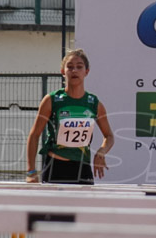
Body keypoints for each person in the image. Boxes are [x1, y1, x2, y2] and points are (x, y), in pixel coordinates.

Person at [25, 49, 114, 186]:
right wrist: (31, 172)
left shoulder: (94, 103)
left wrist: (102, 151)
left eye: (79, 67)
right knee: (53, 208)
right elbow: (34, 134)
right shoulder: (52, 100)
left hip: (82, 168)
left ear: (86, 72)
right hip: (55, 167)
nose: (74, 70)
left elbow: (109, 136)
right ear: (63, 71)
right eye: (70, 67)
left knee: (85, 207)